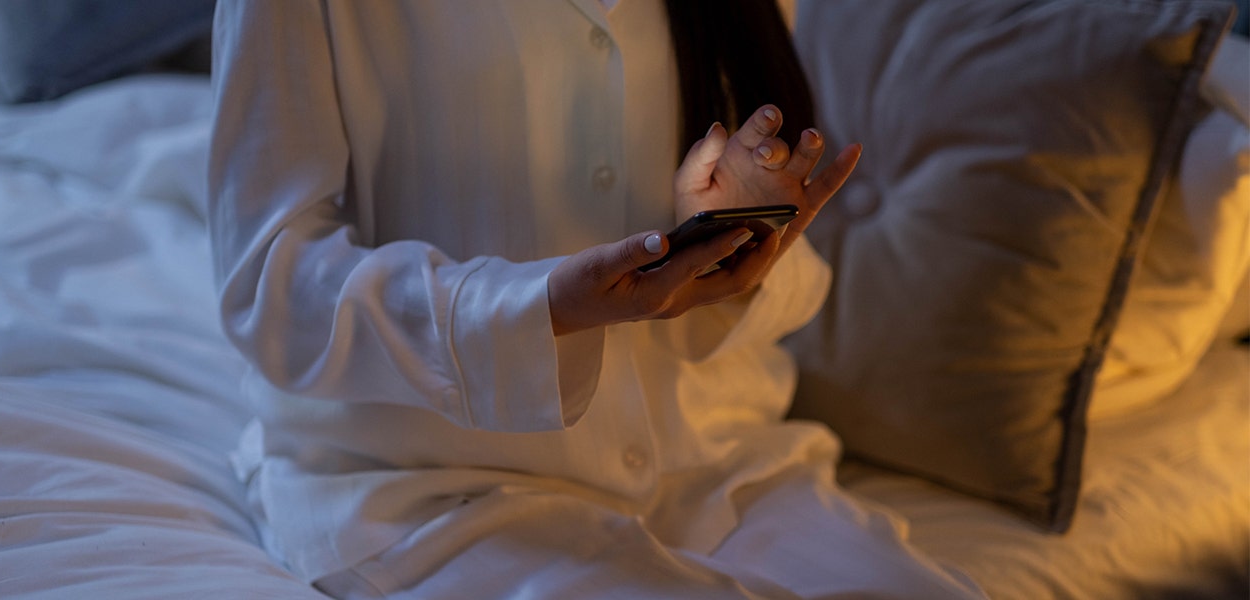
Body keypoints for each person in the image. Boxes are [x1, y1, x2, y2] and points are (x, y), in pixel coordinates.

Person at [208, 1, 983, 598]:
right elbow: (269, 282)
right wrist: (539, 308)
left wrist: (737, 241)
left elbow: (776, 274)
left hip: (714, 465)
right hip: (431, 487)